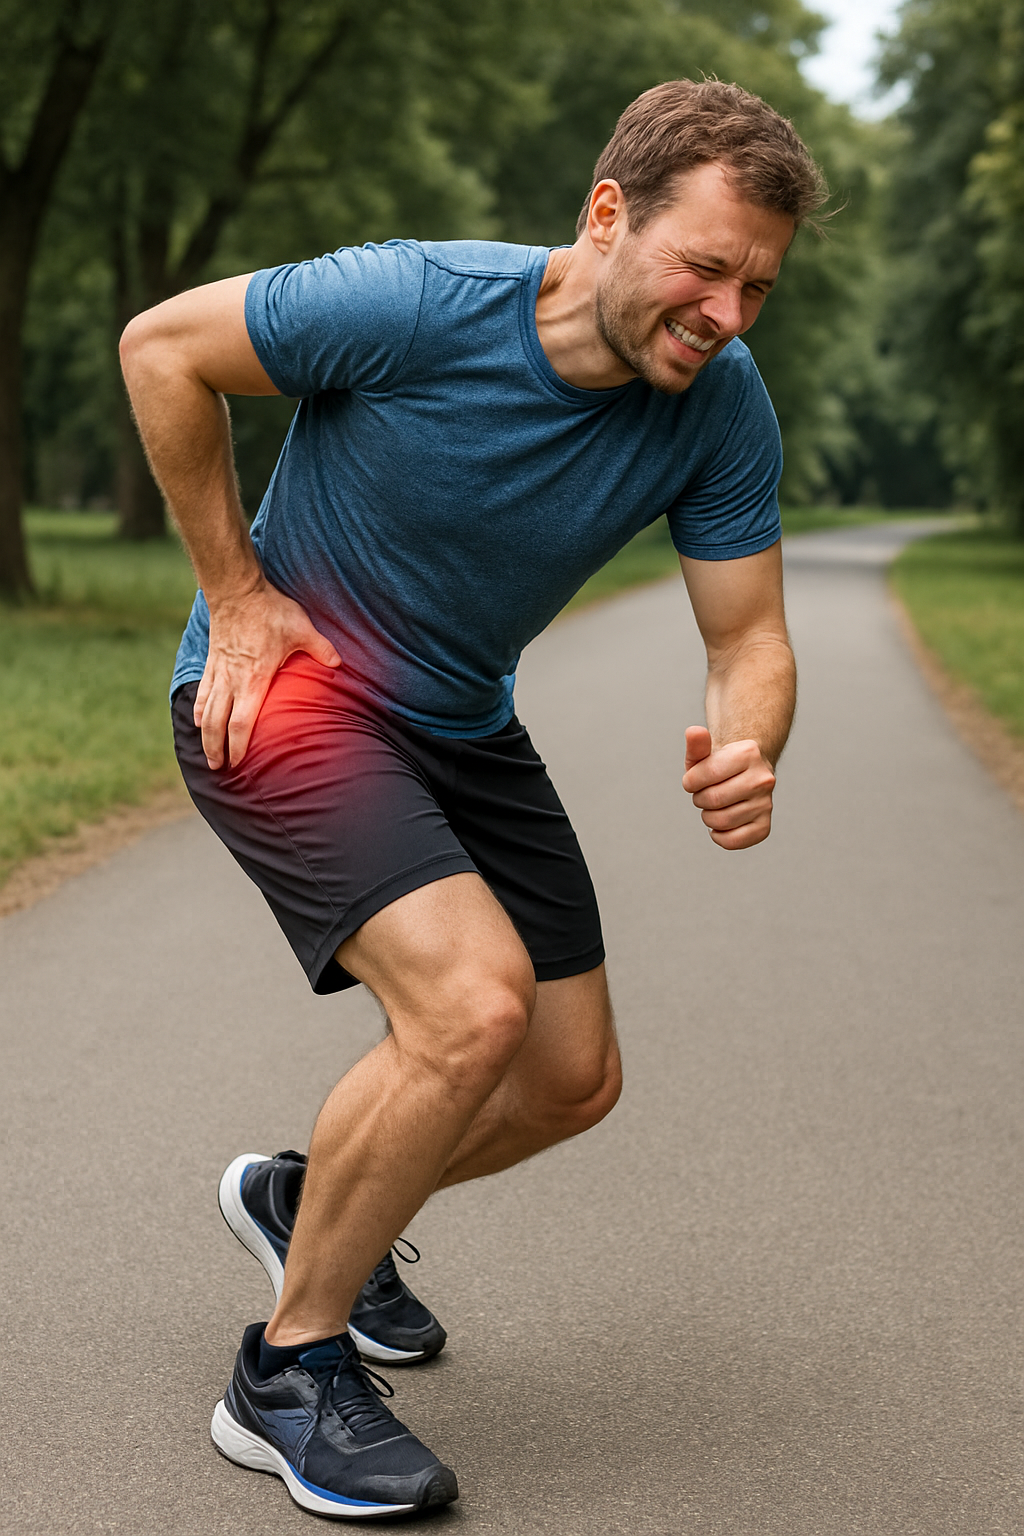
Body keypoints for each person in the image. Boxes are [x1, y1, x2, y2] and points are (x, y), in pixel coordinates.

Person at [120, 77, 824, 1521]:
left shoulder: (720, 408)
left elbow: (747, 637)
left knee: (569, 1079)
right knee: (470, 1006)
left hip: (459, 721)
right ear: (609, 215)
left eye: (759, 284)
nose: (730, 313)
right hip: (292, 688)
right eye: (706, 268)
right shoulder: (419, 302)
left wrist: (751, 742)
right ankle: (288, 1371)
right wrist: (234, 596)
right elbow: (162, 349)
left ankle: (306, 1200)